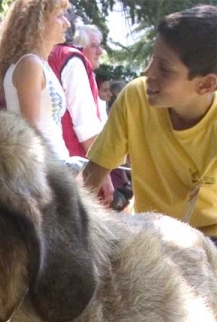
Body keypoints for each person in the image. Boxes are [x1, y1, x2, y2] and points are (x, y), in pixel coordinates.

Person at [83, 4, 217, 236]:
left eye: (164, 68)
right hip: (149, 233)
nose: (147, 72)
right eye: (152, 58)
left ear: (206, 84)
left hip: (209, 240)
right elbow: (88, 181)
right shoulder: (136, 96)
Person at [0, 0, 71, 163]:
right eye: (60, 16)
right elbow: (32, 131)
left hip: (57, 166)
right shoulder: (30, 64)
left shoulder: (39, 65)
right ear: (39, 23)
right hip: (46, 170)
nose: (67, 24)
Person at [48, 17, 103, 158]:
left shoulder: (35, 57)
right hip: (72, 167)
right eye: (94, 46)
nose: (100, 51)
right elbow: (87, 130)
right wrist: (104, 178)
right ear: (80, 47)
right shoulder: (71, 60)